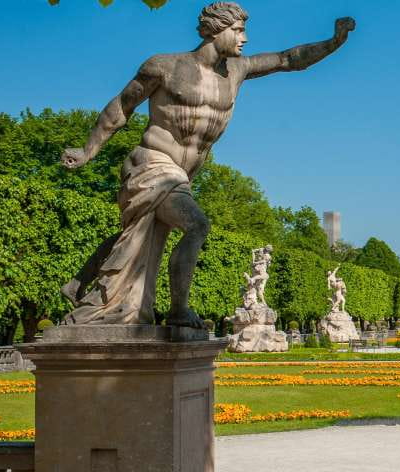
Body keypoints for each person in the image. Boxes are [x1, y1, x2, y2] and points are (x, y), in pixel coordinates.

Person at [60, 3, 355, 327]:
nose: (244, 38)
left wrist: (333, 43)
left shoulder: (237, 70)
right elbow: (121, 106)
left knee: (137, 237)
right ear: (217, 30)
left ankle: (78, 283)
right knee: (196, 225)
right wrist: (88, 150)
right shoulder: (165, 66)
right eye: (238, 30)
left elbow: (287, 59)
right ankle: (178, 312)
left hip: (182, 174)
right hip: (151, 164)